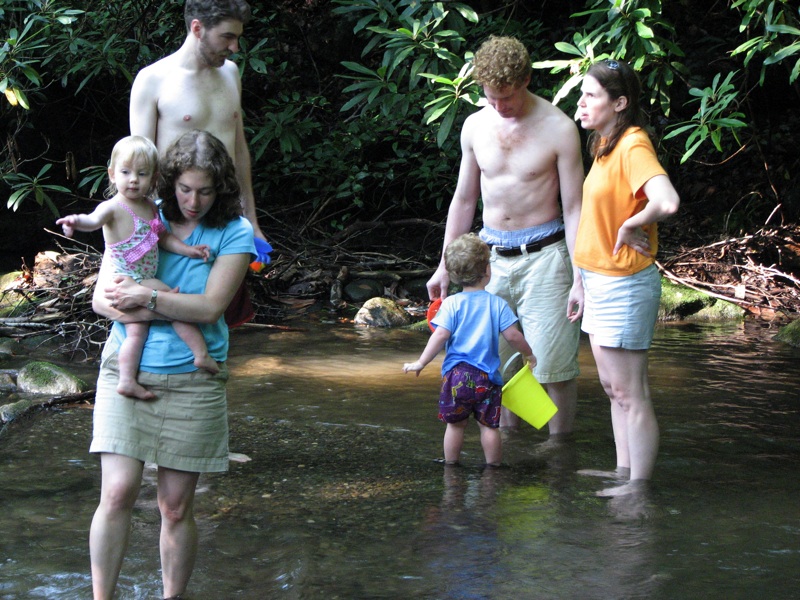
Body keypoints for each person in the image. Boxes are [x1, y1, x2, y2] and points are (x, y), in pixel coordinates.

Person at [88, 129, 255, 599]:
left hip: (194, 378)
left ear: (221, 187)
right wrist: (151, 302)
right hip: (128, 368)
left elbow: (208, 309)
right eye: (184, 188)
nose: (193, 200)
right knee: (117, 494)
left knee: (175, 508)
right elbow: (102, 301)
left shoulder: (235, 232)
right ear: (168, 182)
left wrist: (145, 297)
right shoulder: (138, 212)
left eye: (205, 190)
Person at [426, 35, 584, 439]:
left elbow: (574, 209)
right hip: (487, 262)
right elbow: (463, 200)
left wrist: (581, 276)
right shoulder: (475, 125)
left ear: (527, 79)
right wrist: (445, 264)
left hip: (546, 257)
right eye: (490, 97)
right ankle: (508, 453)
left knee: (552, 367)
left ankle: (558, 454)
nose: (499, 107)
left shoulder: (560, 128)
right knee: (489, 365)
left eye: (507, 98)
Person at [573, 59, 680, 497]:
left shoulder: (633, 143)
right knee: (612, 387)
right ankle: (623, 472)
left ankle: (638, 488)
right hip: (597, 281)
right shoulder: (604, 145)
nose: (580, 102)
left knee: (630, 391)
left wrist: (633, 224)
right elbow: (592, 223)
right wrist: (578, 281)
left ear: (620, 103)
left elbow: (667, 200)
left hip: (624, 284)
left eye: (591, 95)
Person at [57, 135, 216, 401]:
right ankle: (201, 355)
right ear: (112, 174)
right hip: (128, 278)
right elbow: (92, 220)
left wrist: (188, 250)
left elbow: (162, 238)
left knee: (136, 333)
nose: (133, 179)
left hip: (142, 278)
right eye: (126, 172)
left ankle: (127, 380)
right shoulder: (113, 208)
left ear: (153, 179)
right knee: (174, 303)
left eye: (142, 174)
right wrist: (75, 221)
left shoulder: (152, 207)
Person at [129, 0, 268, 245]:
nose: (234, 47)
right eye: (227, 37)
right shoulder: (152, 79)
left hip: (225, 215)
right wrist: (151, 232)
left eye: (237, 38)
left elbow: (239, 150)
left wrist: (252, 223)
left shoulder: (231, 73)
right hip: (171, 218)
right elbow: (140, 164)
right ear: (197, 28)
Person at [404, 233, 536, 466]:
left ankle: (451, 465)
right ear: (487, 270)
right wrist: (529, 354)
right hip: (488, 378)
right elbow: (513, 336)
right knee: (489, 426)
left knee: (455, 426)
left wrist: (421, 362)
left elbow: (440, 335)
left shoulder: (452, 304)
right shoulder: (497, 304)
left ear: (453, 276)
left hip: (456, 377)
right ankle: (493, 468)